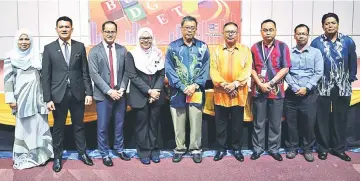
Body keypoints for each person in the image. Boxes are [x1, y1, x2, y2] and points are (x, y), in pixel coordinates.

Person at [41, 16, 93, 172]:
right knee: (58, 128)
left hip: (78, 94)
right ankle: (57, 158)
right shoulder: (49, 48)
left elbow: (85, 71)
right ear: (56, 29)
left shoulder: (79, 47)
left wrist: (88, 92)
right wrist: (47, 98)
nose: (64, 29)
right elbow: (46, 75)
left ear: (72, 29)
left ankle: (83, 154)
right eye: (61, 27)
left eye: (67, 27)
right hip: (58, 95)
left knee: (79, 126)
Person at [4, 28, 54, 170]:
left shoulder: (37, 56)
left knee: (40, 126)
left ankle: (42, 155)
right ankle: (24, 157)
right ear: (16, 41)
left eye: (27, 39)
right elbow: (8, 81)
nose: (24, 42)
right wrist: (11, 99)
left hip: (39, 98)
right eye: (21, 39)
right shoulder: (11, 57)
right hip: (21, 99)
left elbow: (45, 78)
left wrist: (47, 97)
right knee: (24, 128)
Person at [311, 13, 357, 162]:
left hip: (342, 86)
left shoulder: (348, 41)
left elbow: (352, 61)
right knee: (322, 118)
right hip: (323, 85)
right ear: (322, 25)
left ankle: (339, 149)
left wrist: (350, 78)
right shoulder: (316, 43)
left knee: (341, 117)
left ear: (338, 24)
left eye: (333, 23)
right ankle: (323, 148)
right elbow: (313, 64)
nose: (330, 25)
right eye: (327, 23)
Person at [165, 16, 210, 163]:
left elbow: (205, 68)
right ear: (181, 28)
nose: (189, 30)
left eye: (192, 28)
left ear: (196, 29)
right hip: (178, 91)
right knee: (178, 122)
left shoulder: (203, 47)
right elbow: (169, 69)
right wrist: (182, 86)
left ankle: (195, 149)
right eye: (187, 27)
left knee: (196, 120)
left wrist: (195, 85)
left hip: (196, 91)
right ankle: (179, 148)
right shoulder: (173, 47)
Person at [88, 21, 131, 167]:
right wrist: (109, 91)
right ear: (102, 32)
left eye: (112, 31)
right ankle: (104, 153)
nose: (110, 34)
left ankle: (119, 149)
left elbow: (127, 71)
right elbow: (94, 74)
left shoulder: (122, 50)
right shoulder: (94, 51)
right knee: (103, 126)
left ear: (116, 33)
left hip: (120, 94)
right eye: (107, 31)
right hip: (103, 95)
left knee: (119, 124)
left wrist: (122, 88)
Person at [210, 22, 252, 162]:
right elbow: (213, 71)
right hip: (221, 93)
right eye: (227, 31)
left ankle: (237, 149)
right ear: (222, 33)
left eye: (233, 31)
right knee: (220, 124)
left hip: (238, 93)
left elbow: (247, 70)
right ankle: (221, 149)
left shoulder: (245, 50)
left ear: (237, 33)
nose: (230, 34)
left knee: (237, 125)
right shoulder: (216, 50)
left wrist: (234, 84)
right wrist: (224, 85)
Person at [250, 19, 291, 161]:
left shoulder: (283, 46)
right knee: (258, 122)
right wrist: (260, 84)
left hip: (277, 90)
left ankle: (274, 149)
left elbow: (285, 67)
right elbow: (252, 69)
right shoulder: (254, 47)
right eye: (265, 30)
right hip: (259, 90)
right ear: (261, 31)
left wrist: (271, 82)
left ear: (275, 31)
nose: (268, 32)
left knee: (275, 122)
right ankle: (257, 148)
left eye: (271, 29)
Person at [284, 24, 323, 162]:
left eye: (304, 34)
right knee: (291, 123)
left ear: (308, 36)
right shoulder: (288, 52)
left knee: (308, 123)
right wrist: (294, 87)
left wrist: (306, 87)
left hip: (310, 94)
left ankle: (307, 149)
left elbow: (318, 72)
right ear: (294, 36)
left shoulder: (316, 52)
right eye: (299, 33)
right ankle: (292, 148)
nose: (301, 36)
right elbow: (285, 71)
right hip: (291, 94)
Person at [126, 27, 165, 165]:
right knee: (141, 125)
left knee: (154, 124)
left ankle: (155, 151)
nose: (146, 41)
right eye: (143, 38)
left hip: (156, 94)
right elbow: (133, 76)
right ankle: (143, 152)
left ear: (152, 38)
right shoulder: (132, 54)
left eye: (148, 38)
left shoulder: (158, 53)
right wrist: (149, 91)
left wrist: (156, 91)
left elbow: (161, 74)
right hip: (140, 95)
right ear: (138, 39)